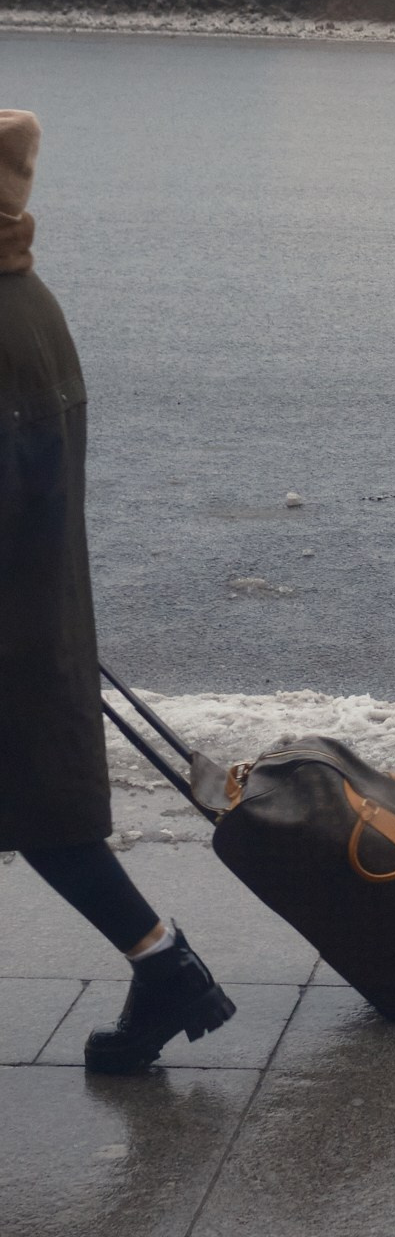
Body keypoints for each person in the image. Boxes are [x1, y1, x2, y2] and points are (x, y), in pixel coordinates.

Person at [0, 112, 235, 1073]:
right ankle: (167, 967)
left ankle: (170, 967)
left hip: (12, 620)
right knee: (44, 816)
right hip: (32, 608)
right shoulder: (27, 296)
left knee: (45, 816)